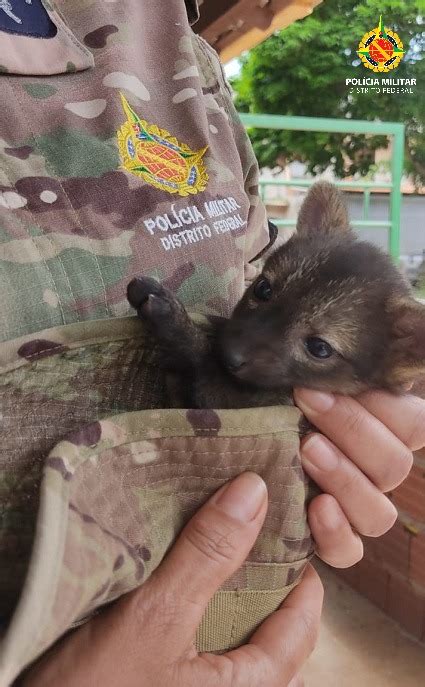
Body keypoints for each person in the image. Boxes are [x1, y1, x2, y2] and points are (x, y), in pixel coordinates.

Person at [0, 1, 423, 684]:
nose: (240, 346)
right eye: (262, 295)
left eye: (315, 346)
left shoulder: (158, 25)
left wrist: (351, 463)